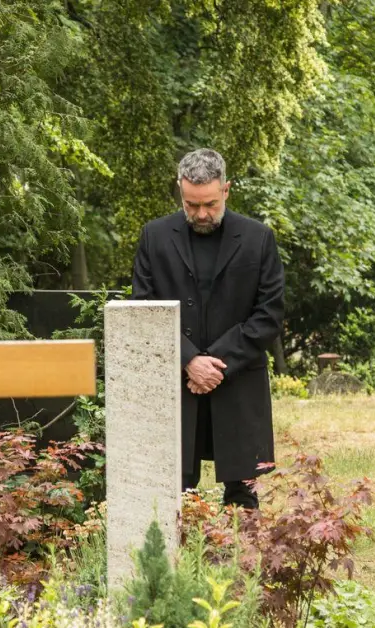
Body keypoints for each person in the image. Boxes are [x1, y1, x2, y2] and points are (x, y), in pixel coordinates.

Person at [130, 148, 286, 509]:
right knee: (174, 491)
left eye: (210, 204)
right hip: (177, 385)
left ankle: (244, 564)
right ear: (180, 191)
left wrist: (214, 362)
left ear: (226, 190)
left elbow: (270, 314)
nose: (201, 214)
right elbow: (144, 307)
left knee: (243, 494)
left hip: (238, 380)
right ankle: (175, 564)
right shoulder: (154, 236)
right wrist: (188, 360)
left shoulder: (258, 238)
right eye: (191, 204)